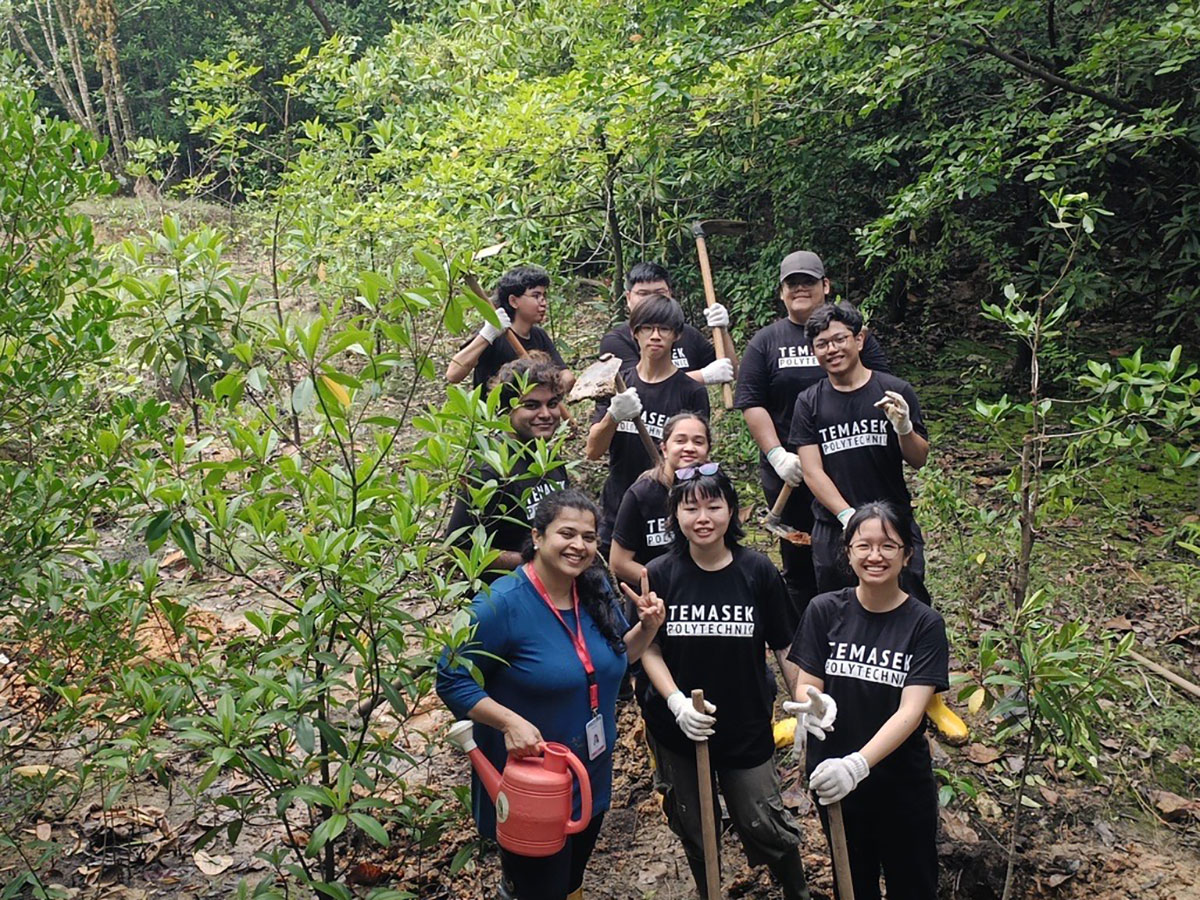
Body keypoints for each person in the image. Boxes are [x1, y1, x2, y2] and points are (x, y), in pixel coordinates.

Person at [436, 490, 665, 900]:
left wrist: (646, 629)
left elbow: (615, 661)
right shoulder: (498, 603)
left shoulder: (595, 590)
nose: (579, 546)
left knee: (571, 882)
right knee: (540, 890)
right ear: (538, 537)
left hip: (590, 773)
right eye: (567, 533)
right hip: (532, 785)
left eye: (590, 537)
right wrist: (509, 721)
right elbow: (451, 678)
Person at [635, 466, 810, 900]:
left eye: (714, 506)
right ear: (674, 514)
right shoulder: (659, 573)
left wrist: (804, 703)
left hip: (745, 719)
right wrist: (675, 701)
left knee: (762, 819)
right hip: (676, 727)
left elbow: (785, 645)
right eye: (690, 507)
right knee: (695, 824)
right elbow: (648, 649)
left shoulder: (758, 571)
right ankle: (708, 889)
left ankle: (796, 891)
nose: (703, 517)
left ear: (732, 512)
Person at [785, 502, 949, 900]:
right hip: (833, 781)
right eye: (864, 545)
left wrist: (858, 765)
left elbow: (911, 711)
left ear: (907, 554)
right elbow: (807, 686)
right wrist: (814, 706)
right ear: (848, 551)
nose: (875, 556)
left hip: (900, 785)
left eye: (888, 546)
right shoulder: (824, 610)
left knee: (913, 886)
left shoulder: (924, 623)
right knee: (853, 887)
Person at [734, 250, 890, 617]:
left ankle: (870, 621)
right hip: (793, 472)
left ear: (826, 286)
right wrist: (776, 454)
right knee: (802, 558)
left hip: (851, 464)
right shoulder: (766, 341)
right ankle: (808, 631)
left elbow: (881, 385)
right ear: (781, 291)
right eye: (792, 283)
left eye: (808, 281)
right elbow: (752, 402)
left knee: (864, 544)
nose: (799, 288)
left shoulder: (846, 334)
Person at [788, 302, 930, 604]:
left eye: (840, 339)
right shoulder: (809, 402)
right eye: (822, 344)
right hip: (834, 527)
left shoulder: (894, 391)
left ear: (859, 340)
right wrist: (848, 517)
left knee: (906, 607)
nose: (832, 349)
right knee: (839, 612)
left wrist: (904, 428)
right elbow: (812, 470)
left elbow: (919, 459)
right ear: (814, 351)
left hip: (893, 523)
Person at [585, 295, 710, 553]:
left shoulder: (691, 391)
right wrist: (614, 415)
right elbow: (593, 450)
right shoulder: (617, 384)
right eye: (647, 328)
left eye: (664, 329)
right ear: (634, 333)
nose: (655, 336)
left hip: (666, 511)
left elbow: (698, 458)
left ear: (676, 335)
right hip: (617, 508)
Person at [444, 356, 571, 581]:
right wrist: (532, 561)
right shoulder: (488, 470)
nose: (546, 414)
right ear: (507, 409)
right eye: (531, 405)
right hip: (503, 599)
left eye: (552, 404)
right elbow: (456, 551)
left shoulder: (550, 458)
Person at [609, 412, 712, 585]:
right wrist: (669, 587)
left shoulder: (717, 493)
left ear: (708, 449)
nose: (689, 448)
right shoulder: (641, 494)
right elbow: (619, 563)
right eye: (680, 441)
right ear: (664, 448)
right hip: (653, 597)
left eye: (698, 442)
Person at [597, 262, 735, 386]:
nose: (652, 299)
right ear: (628, 298)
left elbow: (731, 371)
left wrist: (722, 330)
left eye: (659, 293)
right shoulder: (616, 340)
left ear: (670, 294)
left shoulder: (687, 333)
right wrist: (702, 376)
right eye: (643, 294)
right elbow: (634, 387)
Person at [446, 265, 576, 393]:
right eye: (536, 296)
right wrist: (487, 335)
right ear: (513, 301)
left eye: (544, 296)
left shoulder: (539, 335)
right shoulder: (493, 335)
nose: (543, 302)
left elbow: (566, 376)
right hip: (496, 413)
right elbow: (453, 375)